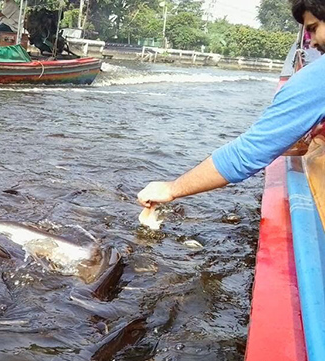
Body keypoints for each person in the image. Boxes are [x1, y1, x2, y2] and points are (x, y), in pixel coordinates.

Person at [137, 0, 325, 210]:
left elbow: (248, 153)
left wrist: (171, 189)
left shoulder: (317, 79)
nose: (314, 42)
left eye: (313, 28)